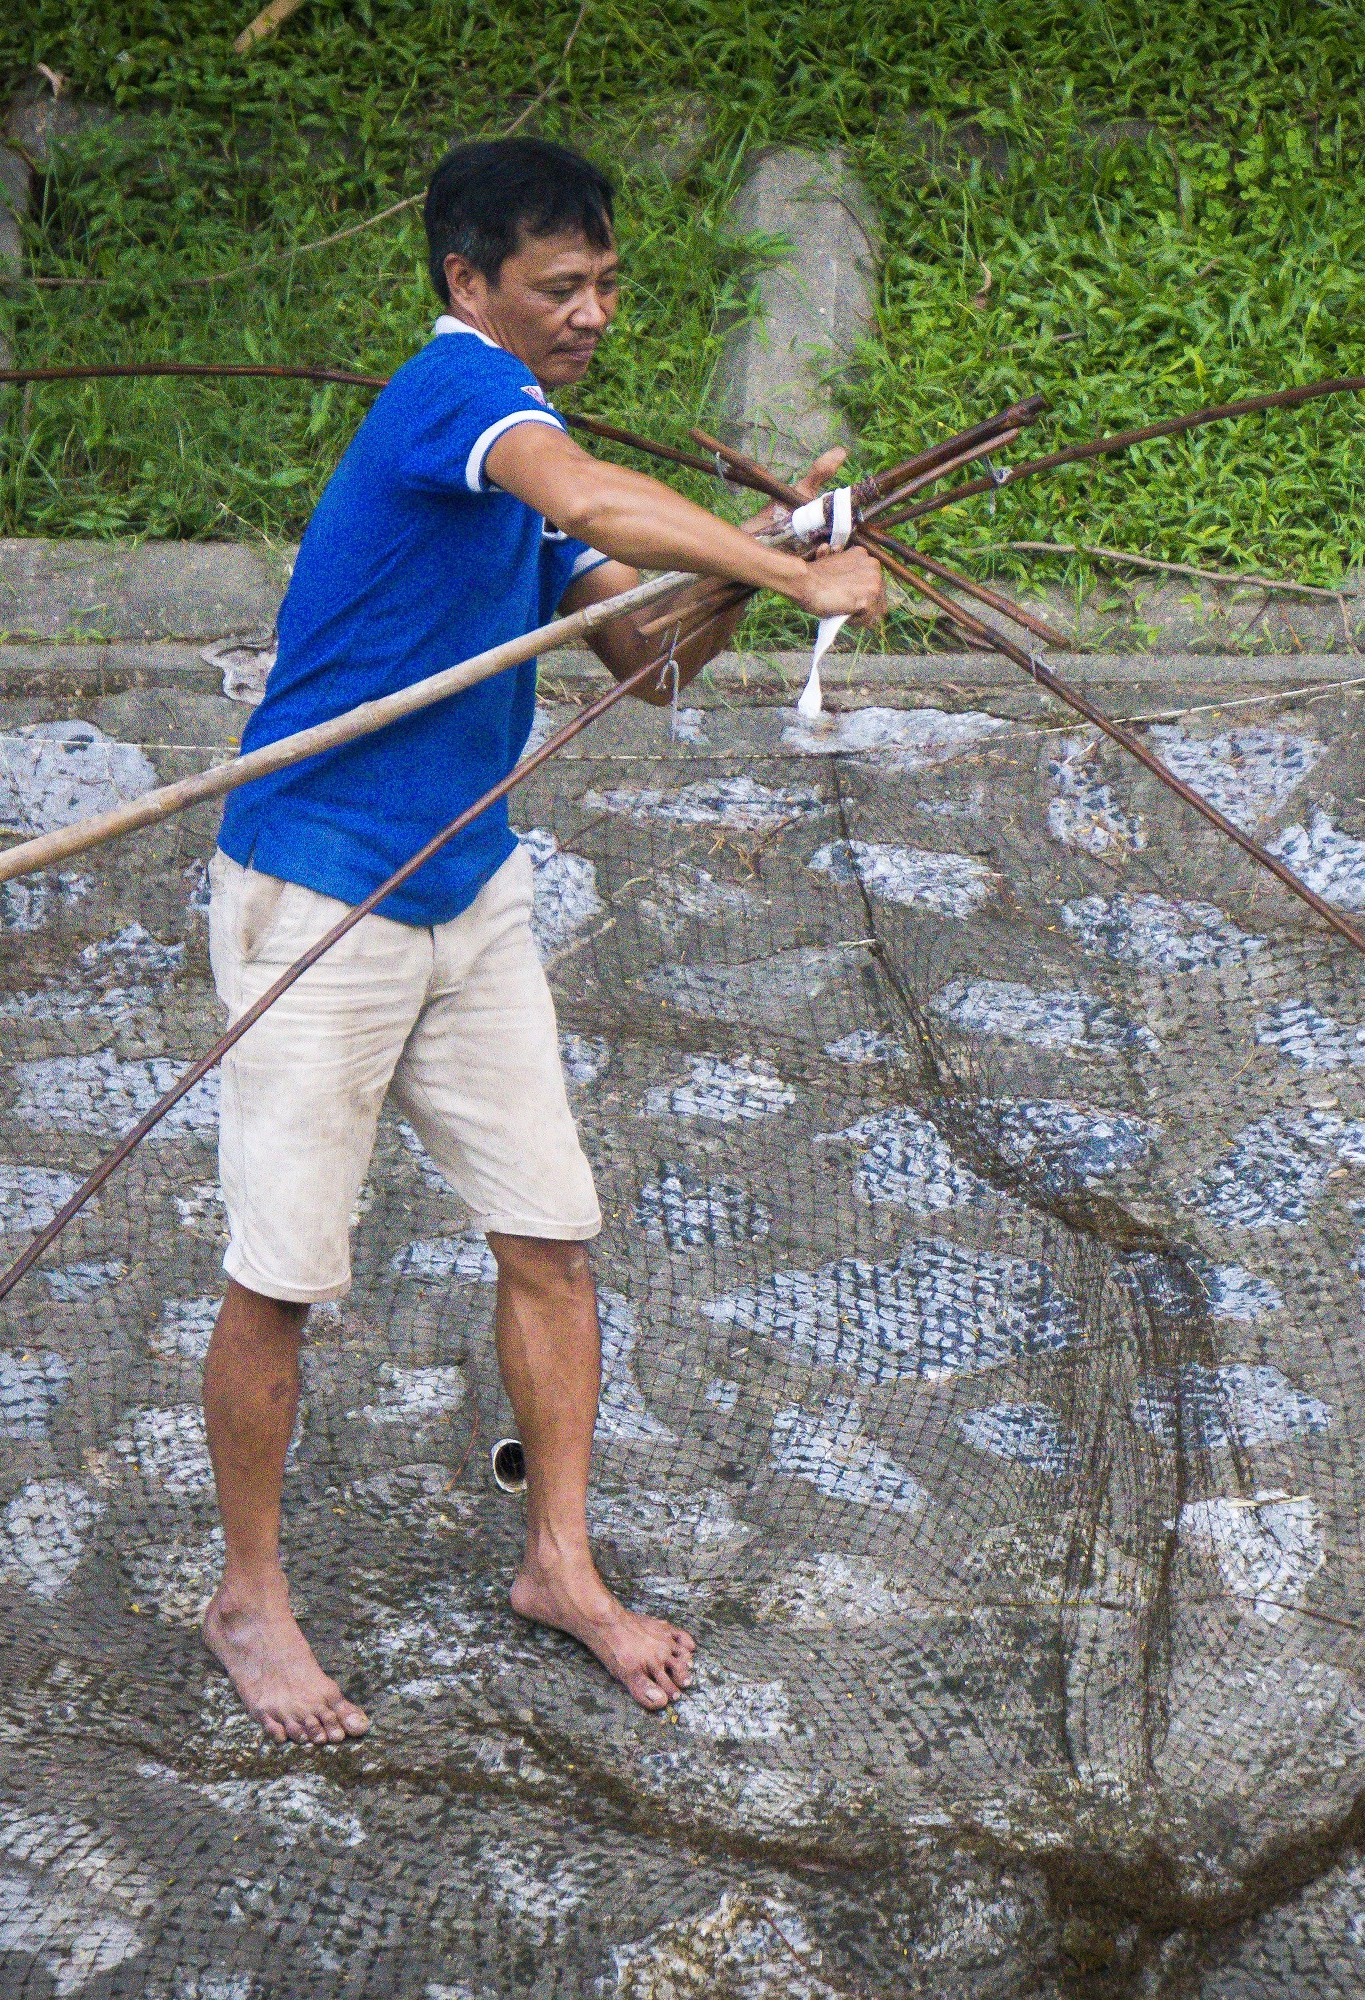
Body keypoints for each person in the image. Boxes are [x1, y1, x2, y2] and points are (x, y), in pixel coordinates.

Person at [196, 137, 885, 1743]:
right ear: (469, 286)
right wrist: (784, 562)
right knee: (284, 1276)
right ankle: (249, 1598)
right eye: (558, 287)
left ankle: (559, 1568)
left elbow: (639, 650)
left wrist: (764, 558)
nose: (590, 313)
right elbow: (576, 491)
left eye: (606, 284)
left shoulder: (525, 449)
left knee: (551, 1240)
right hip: (320, 888)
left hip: (464, 883)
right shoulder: (455, 400)